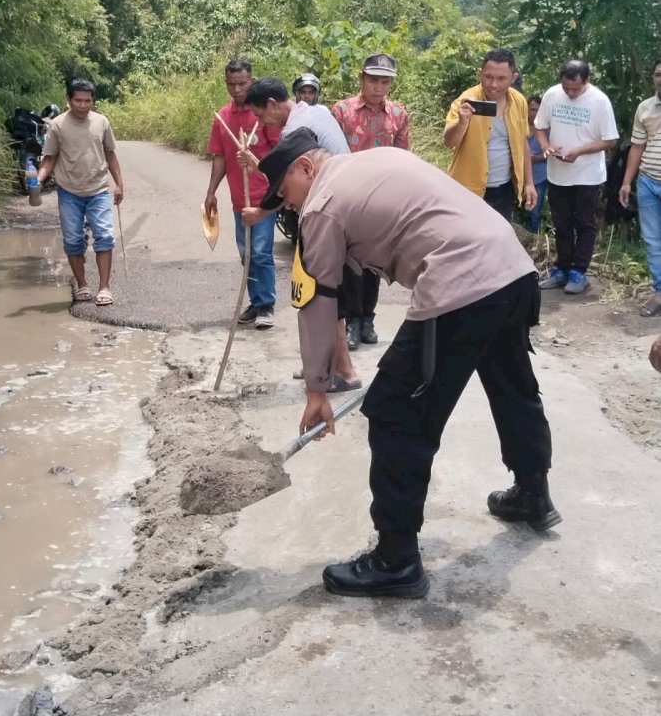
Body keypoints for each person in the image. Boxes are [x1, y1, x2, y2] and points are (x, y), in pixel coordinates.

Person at [257, 127, 560, 599]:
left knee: (397, 413)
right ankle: (532, 492)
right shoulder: (370, 160)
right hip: (512, 267)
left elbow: (317, 298)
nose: (290, 207)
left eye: (285, 195)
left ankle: (395, 559)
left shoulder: (320, 204)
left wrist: (317, 388)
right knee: (511, 384)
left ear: (305, 168)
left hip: (460, 281)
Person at [241, 78, 360, 391]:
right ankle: (326, 365)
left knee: (321, 294)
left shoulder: (297, 129)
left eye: (260, 115)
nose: (260, 122)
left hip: (331, 213)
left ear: (272, 103)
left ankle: (341, 371)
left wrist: (262, 212)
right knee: (328, 294)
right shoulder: (315, 112)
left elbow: (291, 185)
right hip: (341, 209)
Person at [332, 53, 410, 351]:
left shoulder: (398, 114)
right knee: (349, 261)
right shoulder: (341, 111)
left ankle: (367, 319)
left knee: (375, 263)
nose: (379, 87)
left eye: (385, 81)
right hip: (349, 196)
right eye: (373, 80)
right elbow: (328, 153)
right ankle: (350, 320)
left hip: (382, 198)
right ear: (362, 79)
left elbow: (404, 157)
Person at [204, 59, 281, 330]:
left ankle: (267, 305)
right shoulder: (222, 118)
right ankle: (256, 301)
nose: (237, 90)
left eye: (242, 84)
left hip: (264, 197)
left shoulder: (263, 114)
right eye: (231, 84)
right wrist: (211, 191)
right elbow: (220, 158)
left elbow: (279, 153)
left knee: (260, 252)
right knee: (245, 253)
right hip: (239, 199)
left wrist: (259, 165)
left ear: (252, 80)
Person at [534, 60, 619, 295]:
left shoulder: (599, 101)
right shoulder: (552, 95)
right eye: (566, 88)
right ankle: (561, 269)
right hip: (557, 173)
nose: (570, 93)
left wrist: (579, 151)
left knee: (584, 224)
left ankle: (579, 272)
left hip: (587, 175)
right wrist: (546, 146)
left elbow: (610, 140)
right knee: (561, 224)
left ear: (586, 81)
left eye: (576, 89)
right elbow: (539, 127)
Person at [38, 78, 123, 306]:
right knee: (73, 240)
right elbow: (50, 158)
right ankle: (82, 285)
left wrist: (119, 184)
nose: (84, 105)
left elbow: (110, 154)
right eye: (78, 100)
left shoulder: (102, 122)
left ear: (92, 100)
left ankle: (104, 288)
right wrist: (37, 180)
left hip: (98, 190)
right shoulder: (57, 125)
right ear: (69, 100)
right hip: (69, 192)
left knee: (104, 236)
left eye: (88, 100)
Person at [444, 48, 536, 222]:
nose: (494, 85)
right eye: (488, 77)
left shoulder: (519, 102)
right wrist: (462, 122)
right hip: (468, 189)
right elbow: (449, 142)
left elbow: (522, 142)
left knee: (497, 241)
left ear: (513, 78)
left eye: (501, 79)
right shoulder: (466, 100)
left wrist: (529, 183)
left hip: (505, 188)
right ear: (480, 74)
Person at [620, 61, 661, 317]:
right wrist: (626, 181)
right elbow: (637, 146)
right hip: (647, 182)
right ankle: (659, 293)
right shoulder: (645, 108)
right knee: (653, 241)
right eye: (658, 74)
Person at [526, 95, 549, 233]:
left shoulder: (547, 129)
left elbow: (553, 154)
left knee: (534, 212)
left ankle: (533, 239)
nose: (535, 114)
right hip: (516, 175)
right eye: (533, 109)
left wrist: (536, 158)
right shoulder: (518, 125)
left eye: (539, 111)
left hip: (539, 176)